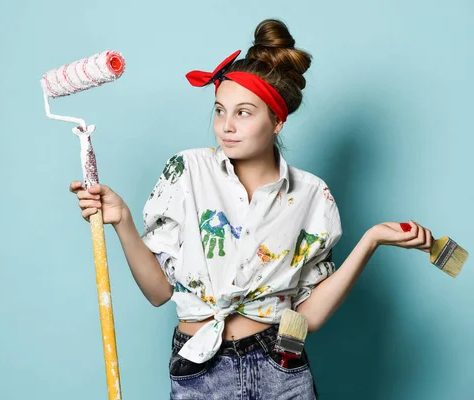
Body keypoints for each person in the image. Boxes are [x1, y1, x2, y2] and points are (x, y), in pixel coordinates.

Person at [70, 18, 433, 400]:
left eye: (243, 112)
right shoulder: (187, 171)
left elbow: (308, 317)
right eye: (219, 110)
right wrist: (122, 220)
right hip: (200, 369)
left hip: (282, 363)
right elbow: (159, 292)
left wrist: (371, 240)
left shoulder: (312, 196)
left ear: (277, 120)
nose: (226, 126)